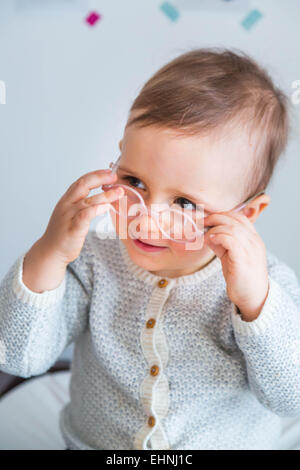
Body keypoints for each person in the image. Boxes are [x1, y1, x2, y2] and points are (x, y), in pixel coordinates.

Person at [1, 47, 300, 450]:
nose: (145, 220)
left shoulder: (265, 288)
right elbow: (18, 357)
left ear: (246, 213)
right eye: (135, 182)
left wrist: (258, 307)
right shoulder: (92, 259)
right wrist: (49, 254)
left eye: (185, 203)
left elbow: (290, 397)